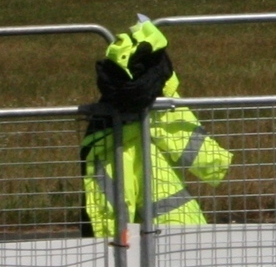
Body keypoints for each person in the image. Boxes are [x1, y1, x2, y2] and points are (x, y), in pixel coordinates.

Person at [81, 16, 231, 239]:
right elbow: (204, 157)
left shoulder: (106, 129)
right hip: (181, 238)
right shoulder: (162, 102)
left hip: (137, 245)